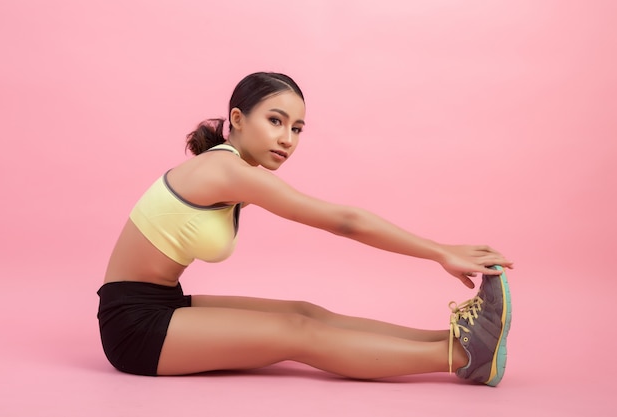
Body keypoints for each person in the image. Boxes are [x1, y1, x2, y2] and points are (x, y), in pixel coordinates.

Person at [98, 72, 513, 386]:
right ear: (237, 119)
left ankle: (456, 338)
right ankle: (461, 356)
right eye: (275, 121)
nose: (287, 139)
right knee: (299, 334)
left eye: (296, 128)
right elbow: (343, 222)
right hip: (133, 327)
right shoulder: (225, 170)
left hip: (159, 303)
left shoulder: (232, 167)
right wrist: (440, 250)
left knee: (306, 313)